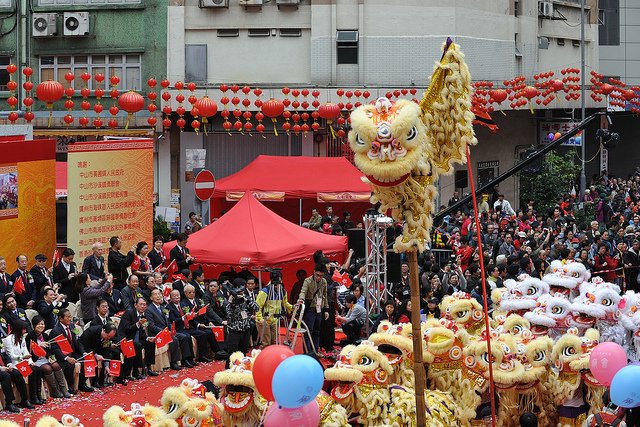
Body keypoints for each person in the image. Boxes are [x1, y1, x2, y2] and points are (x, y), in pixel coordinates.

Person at [145, 288, 192, 370]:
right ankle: (173, 362)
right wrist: (165, 332)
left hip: (167, 331)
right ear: (151, 298)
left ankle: (185, 359)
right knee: (174, 339)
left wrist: (172, 329)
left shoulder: (163, 307)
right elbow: (151, 326)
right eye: (155, 294)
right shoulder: (149, 310)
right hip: (158, 333)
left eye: (159, 294)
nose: (158, 296)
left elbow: (168, 321)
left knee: (183, 337)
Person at [50, 308, 94, 394]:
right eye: (67, 317)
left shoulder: (72, 326)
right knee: (69, 365)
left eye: (70, 316)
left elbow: (78, 341)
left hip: (73, 353)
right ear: (61, 318)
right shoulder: (55, 331)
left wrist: (83, 352)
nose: (70, 319)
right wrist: (66, 358)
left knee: (87, 360)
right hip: (63, 356)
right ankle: (70, 386)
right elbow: (55, 349)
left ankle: (81, 384)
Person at [117, 297, 159, 379]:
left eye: (144, 305)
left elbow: (143, 331)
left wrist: (148, 338)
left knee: (150, 343)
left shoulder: (145, 315)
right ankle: (136, 371)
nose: (143, 306)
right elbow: (126, 329)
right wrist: (138, 324)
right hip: (126, 338)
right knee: (138, 345)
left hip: (137, 338)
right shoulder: (128, 313)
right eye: (141, 304)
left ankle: (148, 368)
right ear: (135, 305)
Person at [3, 320, 44, 405]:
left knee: (36, 369)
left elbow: (26, 352)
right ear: (18, 329)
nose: (25, 331)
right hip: (14, 363)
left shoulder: (22, 338)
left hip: (23, 362)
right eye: (23, 329)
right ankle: (24, 399)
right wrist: (22, 357)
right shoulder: (8, 339)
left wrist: (30, 361)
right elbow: (11, 355)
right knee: (18, 374)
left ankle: (35, 396)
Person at [29, 315, 70, 398]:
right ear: (34, 325)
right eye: (39, 324)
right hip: (35, 360)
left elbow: (49, 351)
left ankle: (63, 389)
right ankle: (55, 390)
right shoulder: (29, 336)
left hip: (45, 358)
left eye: (43, 324)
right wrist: (38, 345)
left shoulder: (45, 336)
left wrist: (51, 358)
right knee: (48, 368)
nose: (41, 326)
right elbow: (28, 351)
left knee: (56, 365)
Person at [166, 289, 210, 364]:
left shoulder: (182, 305)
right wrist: (183, 318)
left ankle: (198, 357)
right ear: (170, 297)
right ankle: (186, 359)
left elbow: (189, 317)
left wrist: (192, 316)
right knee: (187, 337)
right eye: (174, 296)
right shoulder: (169, 307)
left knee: (202, 334)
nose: (177, 297)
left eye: (178, 295)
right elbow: (172, 320)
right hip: (178, 329)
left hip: (187, 327)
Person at [225, 278, 259, 367]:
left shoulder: (246, 298)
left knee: (243, 353)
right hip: (234, 330)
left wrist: (246, 300)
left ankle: (241, 371)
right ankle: (229, 372)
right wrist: (232, 304)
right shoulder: (231, 299)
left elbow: (257, 308)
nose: (241, 292)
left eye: (242, 290)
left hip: (246, 330)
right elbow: (229, 314)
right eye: (239, 290)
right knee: (232, 355)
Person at [297, 264, 329, 355]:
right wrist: (301, 299)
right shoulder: (308, 281)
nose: (319, 277)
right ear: (314, 272)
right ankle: (308, 351)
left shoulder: (324, 282)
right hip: (310, 308)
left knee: (317, 331)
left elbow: (325, 295)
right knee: (308, 331)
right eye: (317, 275)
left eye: (321, 275)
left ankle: (315, 351)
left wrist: (326, 309)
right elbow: (303, 291)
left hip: (319, 309)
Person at [256, 270, 292, 347]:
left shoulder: (282, 291)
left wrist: (292, 308)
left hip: (275, 320)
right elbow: (257, 306)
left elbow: (285, 303)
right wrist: (260, 319)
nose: (277, 284)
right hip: (264, 320)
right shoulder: (265, 291)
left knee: (274, 343)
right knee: (266, 343)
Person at [79, 322, 122, 387]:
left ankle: (101, 381)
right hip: (84, 350)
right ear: (104, 330)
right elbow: (85, 346)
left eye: (110, 337)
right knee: (94, 359)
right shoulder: (91, 331)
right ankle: (94, 382)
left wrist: (107, 366)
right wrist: (96, 355)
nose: (109, 338)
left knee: (110, 355)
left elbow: (106, 350)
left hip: (97, 350)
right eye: (108, 336)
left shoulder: (107, 338)